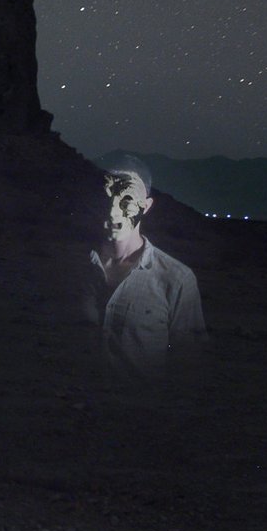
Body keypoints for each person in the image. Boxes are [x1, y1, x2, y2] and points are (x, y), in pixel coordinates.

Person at [79, 152, 207, 382]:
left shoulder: (176, 279)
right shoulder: (76, 268)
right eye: (105, 199)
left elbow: (189, 362)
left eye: (127, 200)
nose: (112, 212)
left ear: (146, 206)